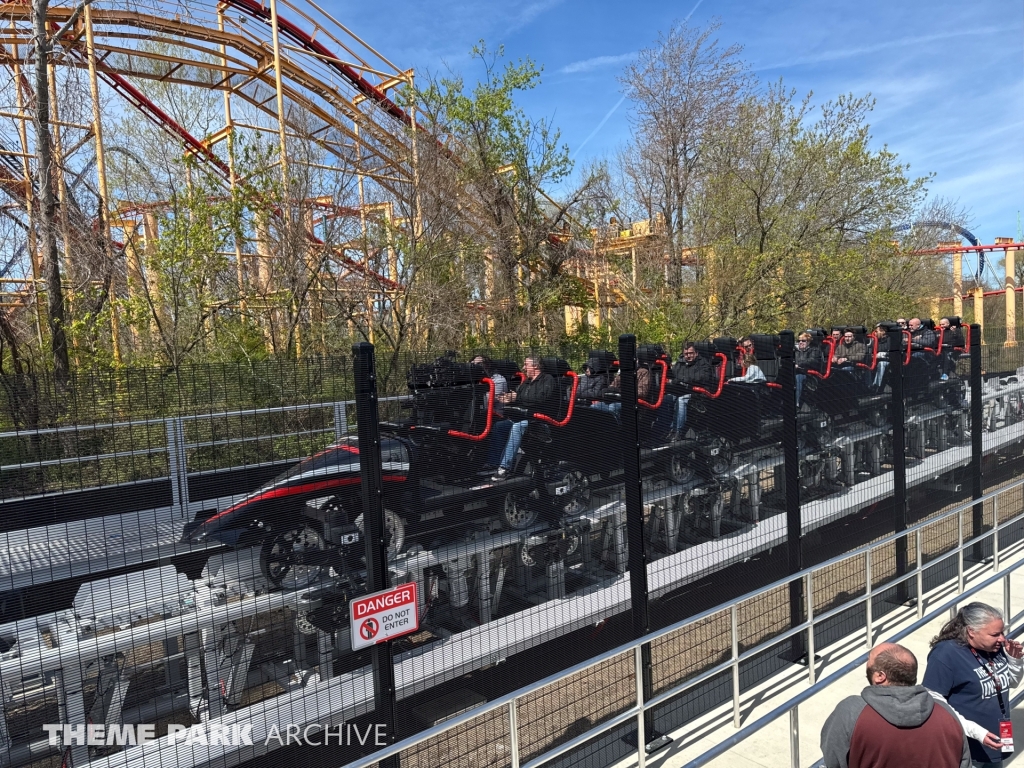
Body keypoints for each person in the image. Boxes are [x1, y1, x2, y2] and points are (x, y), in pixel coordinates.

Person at [821, 642, 970, 768]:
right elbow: (964, 761)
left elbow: (833, 759)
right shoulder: (945, 712)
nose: (866, 664)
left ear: (880, 676)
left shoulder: (851, 712)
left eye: (869, 660)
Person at [922, 602, 1024, 766]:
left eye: (1002, 632)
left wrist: (1015, 661)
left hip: (996, 743)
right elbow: (934, 702)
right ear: (971, 631)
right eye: (994, 634)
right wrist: (976, 732)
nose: (1002, 638)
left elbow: (1009, 683)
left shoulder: (994, 648)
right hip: (968, 749)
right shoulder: (946, 654)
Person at [491, 357, 557, 481]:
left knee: (518, 426)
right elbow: (519, 398)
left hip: (542, 422)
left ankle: (505, 468)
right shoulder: (526, 383)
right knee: (499, 426)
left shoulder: (547, 380)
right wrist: (509, 399)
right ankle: (493, 463)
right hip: (524, 419)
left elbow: (542, 399)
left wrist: (518, 398)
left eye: (526, 365)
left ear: (536, 366)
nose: (523, 368)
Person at [668, 343, 714, 440]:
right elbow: (672, 375)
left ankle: (678, 431)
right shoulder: (680, 363)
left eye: (690, 353)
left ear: (696, 353)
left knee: (681, 400)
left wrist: (682, 379)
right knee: (666, 399)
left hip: (698, 394)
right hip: (681, 390)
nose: (688, 356)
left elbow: (703, 377)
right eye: (686, 354)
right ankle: (665, 429)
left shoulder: (703, 363)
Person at [471, 356, 509, 472]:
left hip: (496, 415)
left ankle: (492, 463)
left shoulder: (498, 380)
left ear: (487, 365)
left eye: (479, 364)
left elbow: (488, 401)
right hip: (477, 414)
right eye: (473, 364)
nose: (475, 366)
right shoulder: (473, 380)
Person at [795, 332, 823, 406]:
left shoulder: (814, 350)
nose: (801, 342)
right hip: (795, 372)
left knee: (798, 377)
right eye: (799, 341)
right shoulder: (796, 351)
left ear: (809, 341)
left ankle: (796, 403)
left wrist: (799, 364)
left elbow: (813, 360)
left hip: (809, 375)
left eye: (803, 341)